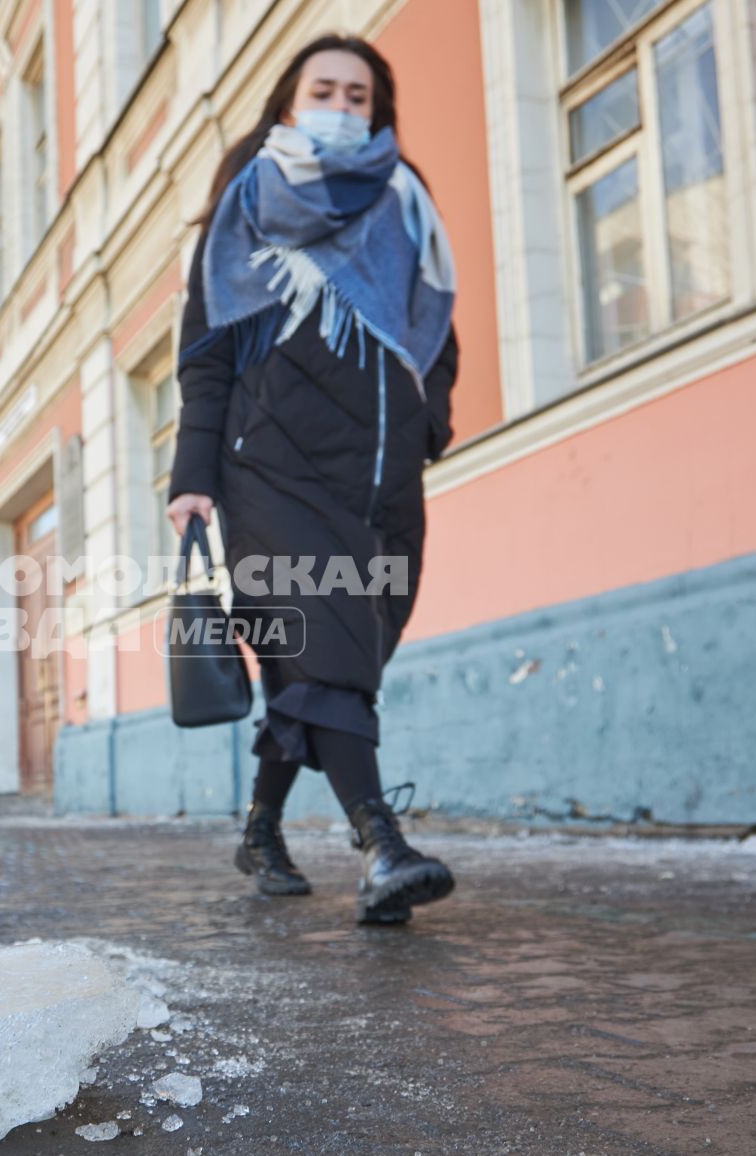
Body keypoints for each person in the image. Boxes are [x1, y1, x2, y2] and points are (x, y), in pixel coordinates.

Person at [168, 33, 458, 926]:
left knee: (336, 666)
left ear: (379, 110)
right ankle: (381, 844)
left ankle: (261, 825)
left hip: (379, 475)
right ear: (291, 104)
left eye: (358, 94)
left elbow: (436, 328)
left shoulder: (407, 200)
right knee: (325, 645)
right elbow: (207, 353)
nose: (340, 103)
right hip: (270, 471)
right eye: (323, 89)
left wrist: (429, 421)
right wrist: (192, 472)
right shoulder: (248, 204)